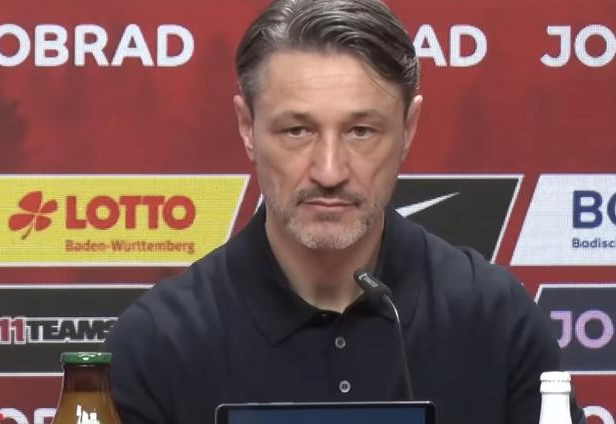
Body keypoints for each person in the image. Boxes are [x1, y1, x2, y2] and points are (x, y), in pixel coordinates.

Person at [102, 1, 586, 423]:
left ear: (408, 129)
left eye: (361, 131)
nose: (329, 171)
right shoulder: (155, 345)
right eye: (297, 131)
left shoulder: (497, 319)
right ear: (247, 128)